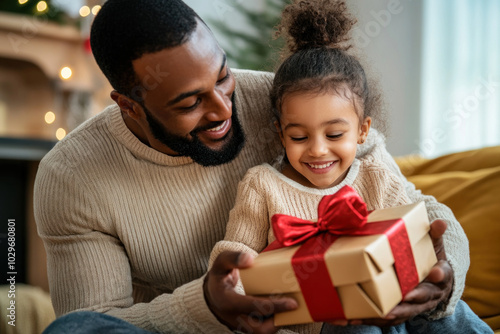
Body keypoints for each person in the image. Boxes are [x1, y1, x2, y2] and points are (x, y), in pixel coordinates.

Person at [33, 0, 470, 333]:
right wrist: (206, 305)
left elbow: (418, 207)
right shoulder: (72, 176)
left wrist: (446, 267)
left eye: (222, 77)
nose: (224, 109)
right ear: (130, 106)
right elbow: (100, 319)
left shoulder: (294, 102)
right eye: (190, 102)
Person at [208, 1, 493, 334]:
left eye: (334, 134)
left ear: (362, 131)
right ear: (280, 132)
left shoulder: (375, 173)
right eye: (298, 136)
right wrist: (231, 281)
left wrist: (427, 272)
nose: (317, 149)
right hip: (324, 322)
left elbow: (408, 234)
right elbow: (237, 250)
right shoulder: (262, 184)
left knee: (453, 315)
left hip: (397, 302)